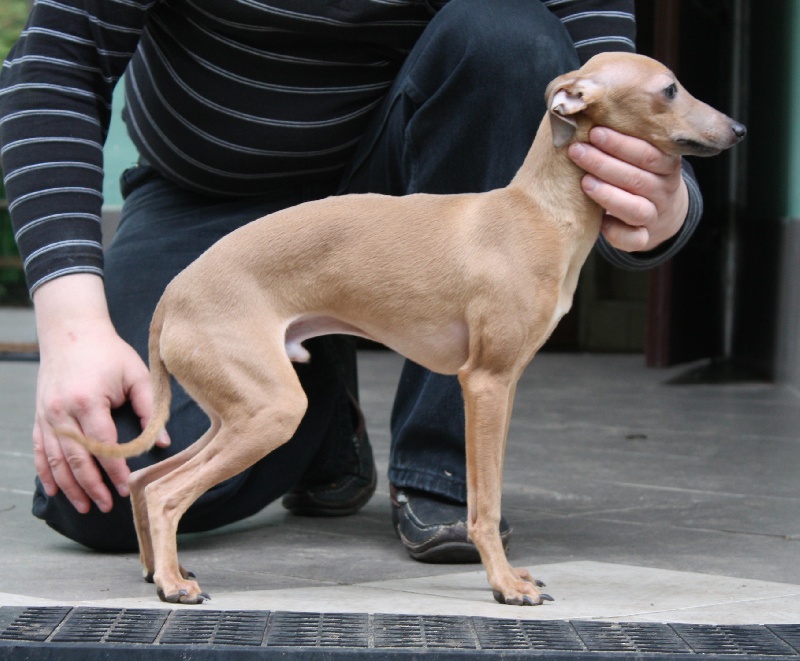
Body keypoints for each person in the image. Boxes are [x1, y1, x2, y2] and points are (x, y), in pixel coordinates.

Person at [0, 0, 701, 558]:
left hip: (409, 194)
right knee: (96, 495)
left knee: (509, 36)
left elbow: (616, 80)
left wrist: (664, 202)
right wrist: (73, 327)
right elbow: (58, 62)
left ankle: (439, 466)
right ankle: (317, 405)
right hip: (212, 200)